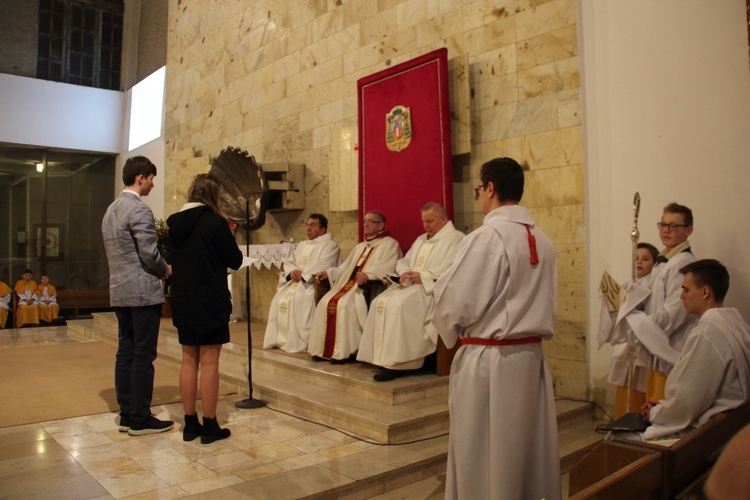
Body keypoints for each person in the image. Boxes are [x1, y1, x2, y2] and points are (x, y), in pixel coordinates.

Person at [431, 157, 561, 500]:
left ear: (490, 189)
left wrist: (447, 332)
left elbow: (454, 300)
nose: (479, 196)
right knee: (524, 450)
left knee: (483, 451)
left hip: (490, 362)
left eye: (479, 189)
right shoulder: (542, 240)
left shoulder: (487, 237)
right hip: (530, 359)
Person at [167, 173, 243, 444]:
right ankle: (209, 425)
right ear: (213, 196)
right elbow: (234, 259)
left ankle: (190, 424)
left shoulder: (174, 222)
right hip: (209, 298)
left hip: (184, 298)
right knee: (210, 361)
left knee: (188, 360)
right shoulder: (215, 222)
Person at [102, 155, 173, 436]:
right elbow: (148, 253)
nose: (153, 185)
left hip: (119, 290)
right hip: (142, 292)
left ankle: (126, 412)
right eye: (152, 179)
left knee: (125, 352)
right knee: (143, 355)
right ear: (140, 177)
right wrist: (166, 269)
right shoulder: (139, 210)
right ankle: (141, 418)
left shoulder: (110, 210)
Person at [640, 259, 750, 440]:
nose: (681, 296)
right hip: (733, 424)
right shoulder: (736, 322)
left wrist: (655, 413)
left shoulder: (707, 333)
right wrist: (664, 405)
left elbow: (687, 403)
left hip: (712, 436)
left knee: (619, 439)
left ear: (705, 292)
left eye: (686, 290)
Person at [357, 202, 464, 381]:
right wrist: (404, 272)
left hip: (433, 290)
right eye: (424, 222)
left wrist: (424, 277)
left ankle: (400, 362)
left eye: (430, 221)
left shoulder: (457, 239)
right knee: (379, 302)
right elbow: (404, 261)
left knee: (399, 305)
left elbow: (453, 266)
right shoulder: (421, 239)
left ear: (443, 219)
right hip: (411, 286)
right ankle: (381, 358)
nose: (426, 226)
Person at [307, 211, 401, 363]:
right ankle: (323, 350)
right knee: (325, 302)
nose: (366, 224)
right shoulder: (360, 247)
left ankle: (343, 352)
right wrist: (329, 273)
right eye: (364, 221)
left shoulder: (390, 244)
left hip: (363, 287)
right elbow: (344, 268)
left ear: (381, 225)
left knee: (344, 306)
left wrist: (369, 274)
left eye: (371, 221)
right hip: (346, 286)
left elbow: (389, 266)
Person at [264, 214, 342, 353]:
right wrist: (292, 271)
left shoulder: (330, 246)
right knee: (278, 298)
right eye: (307, 225)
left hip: (313, 284)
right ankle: (282, 339)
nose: (308, 228)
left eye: (313, 225)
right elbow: (289, 261)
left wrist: (304, 274)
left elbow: (325, 264)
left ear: (323, 229)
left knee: (299, 299)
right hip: (297, 282)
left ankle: (302, 341)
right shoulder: (302, 244)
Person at [601, 242, 659, 419]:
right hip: (628, 344)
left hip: (644, 343)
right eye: (636, 259)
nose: (639, 262)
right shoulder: (628, 284)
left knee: (640, 389)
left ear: (654, 264)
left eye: (645, 259)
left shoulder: (655, 286)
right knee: (625, 388)